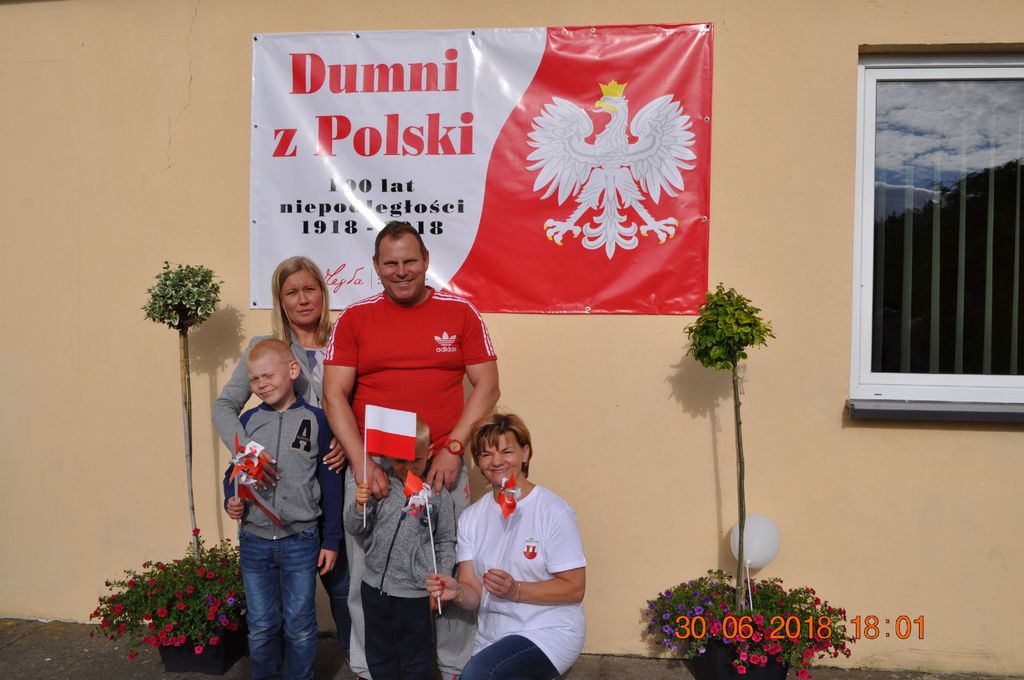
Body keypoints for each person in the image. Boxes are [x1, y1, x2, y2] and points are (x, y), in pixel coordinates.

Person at [322, 220, 500, 679]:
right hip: (376, 469)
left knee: (448, 568)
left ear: (426, 262)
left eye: (409, 261)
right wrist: (362, 463)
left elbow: (487, 386)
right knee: (367, 572)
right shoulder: (355, 317)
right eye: (391, 263)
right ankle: (368, 667)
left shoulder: (461, 313)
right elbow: (333, 395)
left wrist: (455, 447)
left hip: (439, 463)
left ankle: (454, 665)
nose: (401, 271)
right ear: (376, 266)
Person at [212, 256, 351, 662]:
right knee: (282, 608)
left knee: (343, 582)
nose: (302, 299)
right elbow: (224, 406)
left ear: (323, 293)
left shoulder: (344, 339)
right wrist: (248, 451)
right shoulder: (266, 349)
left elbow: (360, 402)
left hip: (337, 477)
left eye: (310, 289)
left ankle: (355, 659)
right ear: (280, 300)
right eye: (292, 292)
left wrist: (349, 440)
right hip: (285, 488)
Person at [426, 413, 586, 680]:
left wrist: (517, 590)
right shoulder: (471, 518)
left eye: (506, 451)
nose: (497, 461)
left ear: (525, 453)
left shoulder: (553, 511)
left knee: (478, 674)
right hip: (494, 635)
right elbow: (474, 591)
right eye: (486, 455)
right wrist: (458, 592)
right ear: (478, 462)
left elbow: (575, 588)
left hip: (548, 632)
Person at [222, 338, 342, 680]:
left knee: (300, 626)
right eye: (254, 379)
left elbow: (330, 484)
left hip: (301, 540)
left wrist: (331, 540)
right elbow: (233, 474)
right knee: (261, 626)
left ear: (292, 371)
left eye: (268, 375)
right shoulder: (247, 422)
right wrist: (231, 498)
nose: (262, 384)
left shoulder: (317, 420)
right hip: (255, 541)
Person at [344, 418, 456, 680]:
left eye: (416, 460)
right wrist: (360, 506)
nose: (408, 468)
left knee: (415, 659)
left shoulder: (439, 496)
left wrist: (439, 581)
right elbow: (355, 528)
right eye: (399, 461)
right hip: (373, 588)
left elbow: (445, 542)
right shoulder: (380, 487)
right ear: (387, 457)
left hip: (413, 594)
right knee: (379, 655)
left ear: (429, 452)